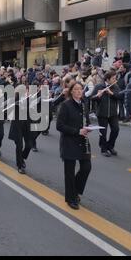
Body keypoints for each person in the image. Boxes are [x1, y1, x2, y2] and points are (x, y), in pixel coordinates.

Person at [56, 82, 92, 211]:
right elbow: (59, 126)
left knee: (87, 167)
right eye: (76, 89)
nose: (79, 91)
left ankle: (75, 191)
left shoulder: (83, 104)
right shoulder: (66, 105)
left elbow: (86, 121)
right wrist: (76, 131)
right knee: (69, 172)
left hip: (83, 141)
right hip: (69, 141)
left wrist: (88, 127)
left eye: (80, 89)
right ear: (71, 91)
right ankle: (71, 198)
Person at [91, 71, 121, 157]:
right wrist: (97, 96)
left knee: (116, 130)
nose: (115, 80)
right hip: (102, 113)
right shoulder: (99, 86)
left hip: (113, 113)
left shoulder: (115, 87)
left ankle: (110, 146)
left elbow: (119, 96)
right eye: (113, 79)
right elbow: (92, 98)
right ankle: (103, 149)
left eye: (115, 78)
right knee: (103, 132)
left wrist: (111, 93)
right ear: (107, 79)